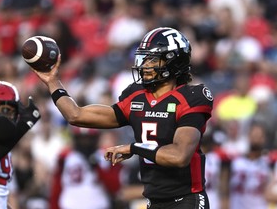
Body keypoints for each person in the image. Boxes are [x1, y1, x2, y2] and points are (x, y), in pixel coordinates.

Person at [31, 27, 213, 209]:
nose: (144, 65)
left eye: (152, 59)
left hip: (187, 199)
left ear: (173, 61)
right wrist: (53, 82)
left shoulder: (192, 97)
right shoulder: (136, 95)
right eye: (144, 58)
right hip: (154, 201)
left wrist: (134, 148)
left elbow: (179, 156)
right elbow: (75, 115)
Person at [0, 81, 40, 209]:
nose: (5, 118)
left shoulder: (5, 145)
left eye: (8, 112)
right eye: (3, 111)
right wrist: (24, 125)